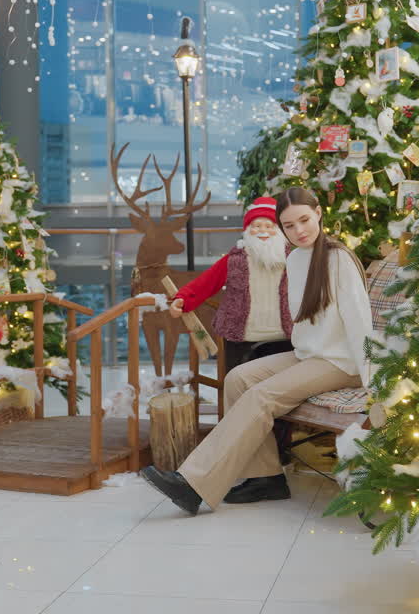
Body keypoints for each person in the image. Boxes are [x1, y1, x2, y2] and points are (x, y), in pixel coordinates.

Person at [141, 187, 372, 514]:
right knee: (237, 379)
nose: (299, 231)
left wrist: (372, 376)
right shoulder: (294, 258)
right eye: (289, 226)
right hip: (309, 355)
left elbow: (361, 321)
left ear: (319, 213)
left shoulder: (338, 258)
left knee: (261, 395)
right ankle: (266, 478)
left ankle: (194, 483)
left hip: (340, 362)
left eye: (304, 220)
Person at [168, 196, 294, 375]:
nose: (262, 231)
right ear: (248, 230)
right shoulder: (235, 260)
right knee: (239, 384)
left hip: (284, 338)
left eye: (269, 226)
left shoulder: (293, 259)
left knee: (282, 386)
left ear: (279, 230)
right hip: (241, 339)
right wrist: (183, 299)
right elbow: (207, 282)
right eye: (256, 226)